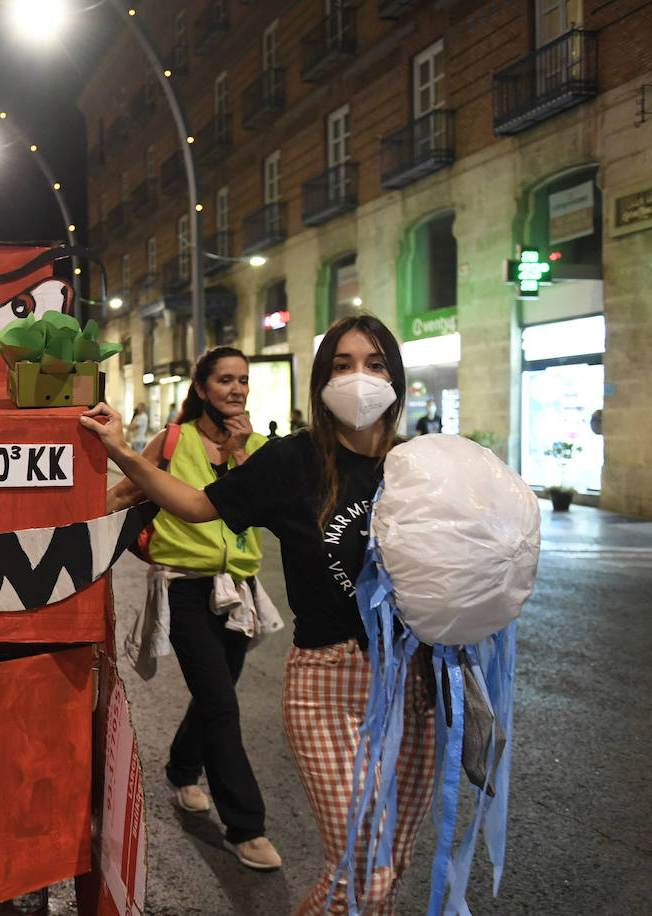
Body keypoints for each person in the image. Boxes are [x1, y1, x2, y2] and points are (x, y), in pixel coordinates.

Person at [81, 315, 435, 915]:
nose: (360, 378)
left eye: (374, 364)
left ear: (396, 378)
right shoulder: (294, 461)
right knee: (362, 870)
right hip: (328, 680)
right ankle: (241, 820)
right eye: (342, 365)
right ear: (321, 383)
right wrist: (121, 454)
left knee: (389, 870)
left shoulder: (418, 467)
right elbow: (196, 505)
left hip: (414, 685)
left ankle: (188, 768)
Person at [108, 347, 282, 871]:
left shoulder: (258, 448)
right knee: (221, 704)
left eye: (243, 381)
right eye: (225, 380)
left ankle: (183, 768)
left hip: (240, 591)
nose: (236, 389)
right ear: (202, 389)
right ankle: (245, 827)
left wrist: (239, 454)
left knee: (217, 695)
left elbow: (266, 509)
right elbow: (123, 493)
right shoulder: (174, 440)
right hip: (182, 587)